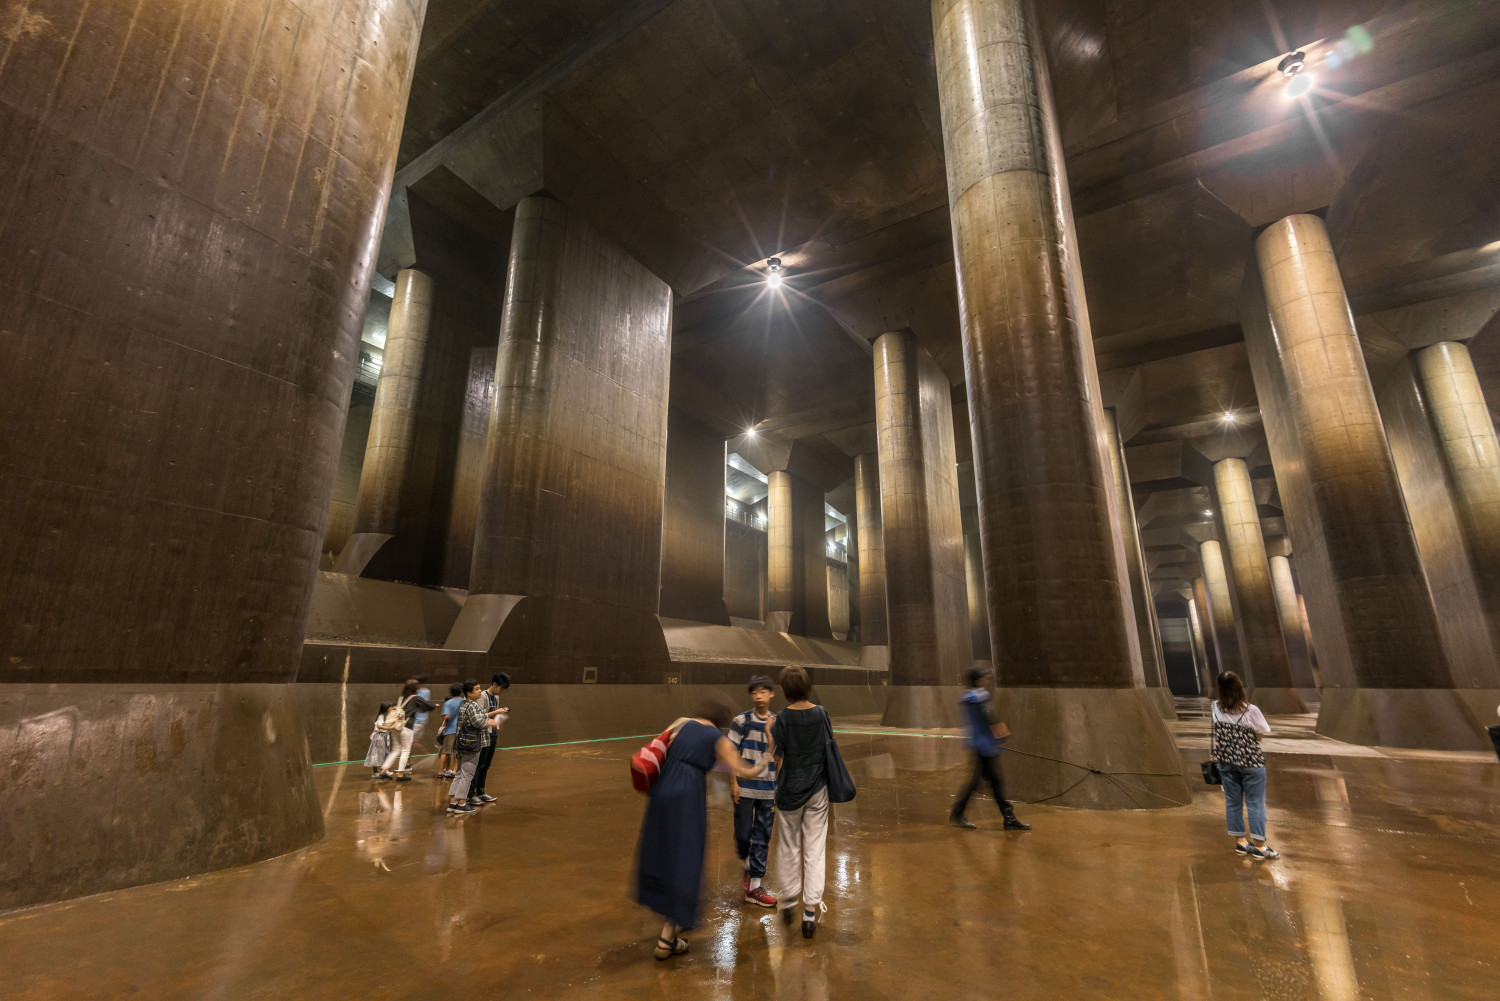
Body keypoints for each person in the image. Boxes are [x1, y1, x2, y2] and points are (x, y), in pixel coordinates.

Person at [636, 695, 766, 961]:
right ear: (723, 720)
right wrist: (766, 760)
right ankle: (665, 938)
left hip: (662, 791)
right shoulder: (718, 739)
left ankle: (668, 929)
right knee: (686, 861)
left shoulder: (681, 724)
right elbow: (743, 771)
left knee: (666, 854)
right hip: (687, 796)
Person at [770, 665, 833, 939]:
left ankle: (788, 899)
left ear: (785, 691)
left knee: (788, 845)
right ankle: (809, 914)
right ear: (807, 687)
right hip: (818, 789)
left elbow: (778, 758)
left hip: (790, 791)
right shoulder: (821, 713)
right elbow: (828, 747)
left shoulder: (782, 718)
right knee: (815, 849)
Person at [949, 666, 1029, 832]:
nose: (987, 681)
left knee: (985, 782)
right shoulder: (981, 696)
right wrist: (1002, 735)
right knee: (992, 782)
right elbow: (990, 718)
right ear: (978, 681)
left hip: (976, 744)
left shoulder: (967, 697)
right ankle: (1008, 818)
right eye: (984, 678)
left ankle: (959, 813)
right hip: (985, 746)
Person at [1212, 671, 1279, 860]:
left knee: (1233, 802)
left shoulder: (1215, 707)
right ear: (1239, 687)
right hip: (1250, 762)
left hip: (1226, 762)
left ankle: (1241, 843)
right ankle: (1260, 846)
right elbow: (1260, 733)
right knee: (1255, 803)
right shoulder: (1251, 710)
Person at [729, 675, 779, 908]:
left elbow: (779, 756)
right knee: (742, 835)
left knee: (762, 836)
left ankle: (755, 886)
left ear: (771, 694)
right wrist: (734, 783)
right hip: (745, 788)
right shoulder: (741, 721)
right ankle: (748, 867)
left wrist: (778, 785)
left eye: (763, 691)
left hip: (768, 789)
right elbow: (731, 753)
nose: (759, 695)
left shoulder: (777, 723)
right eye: (755, 691)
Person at [376, 680, 436, 781]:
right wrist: (435, 705)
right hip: (406, 727)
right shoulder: (415, 698)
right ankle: (400, 774)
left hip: (395, 728)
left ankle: (383, 770)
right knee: (405, 751)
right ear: (415, 689)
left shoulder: (400, 699)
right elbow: (427, 706)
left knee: (395, 750)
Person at [468, 673, 510, 807]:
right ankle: (471, 794)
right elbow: (479, 717)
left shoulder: (496, 697)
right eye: (501, 688)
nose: (501, 692)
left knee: (486, 765)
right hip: (482, 734)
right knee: (478, 765)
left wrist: (498, 720)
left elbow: (493, 715)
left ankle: (481, 791)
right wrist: (496, 712)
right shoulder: (483, 697)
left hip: (492, 734)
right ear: (494, 685)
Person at [446, 680, 488, 815]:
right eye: (477, 689)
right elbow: (479, 722)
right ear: (469, 693)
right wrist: (491, 721)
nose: (480, 691)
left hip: (461, 744)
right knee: (467, 774)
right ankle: (462, 804)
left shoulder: (463, 704)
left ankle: (453, 803)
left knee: (459, 773)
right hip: (471, 745)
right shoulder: (472, 705)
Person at [436, 681, 464, 778]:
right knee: (457, 752)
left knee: (445, 752)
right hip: (460, 730)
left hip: (450, 730)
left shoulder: (448, 703)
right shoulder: (462, 700)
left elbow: (446, 716)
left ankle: (440, 772)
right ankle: (455, 771)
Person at [364, 701, 394, 780]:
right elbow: (379, 725)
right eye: (391, 707)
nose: (392, 708)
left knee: (385, 754)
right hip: (379, 737)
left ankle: (384, 770)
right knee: (377, 754)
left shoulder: (386, 715)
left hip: (385, 737)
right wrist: (388, 728)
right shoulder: (381, 716)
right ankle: (375, 772)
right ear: (386, 708)